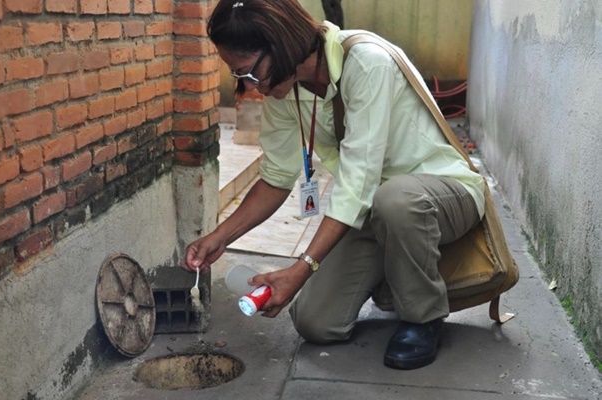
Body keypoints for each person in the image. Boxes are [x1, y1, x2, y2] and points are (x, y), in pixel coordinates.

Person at [183, 0, 486, 370]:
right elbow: (277, 178)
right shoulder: (286, 87)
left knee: (396, 201)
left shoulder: (368, 62)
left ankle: (423, 317)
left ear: (277, 45)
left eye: (246, 74)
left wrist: (303, 266)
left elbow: (358, 181)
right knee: (315, 322)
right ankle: (394, 274)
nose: (247, 88)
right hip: (376, 207)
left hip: (441, 191)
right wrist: (220, 237)